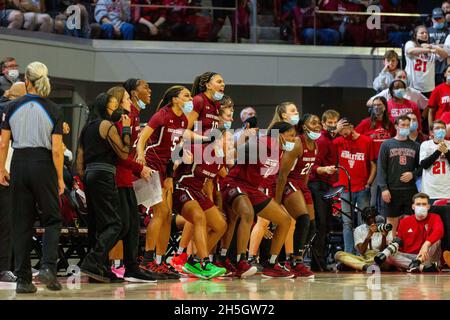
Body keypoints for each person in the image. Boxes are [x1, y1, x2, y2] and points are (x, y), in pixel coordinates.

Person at [0, 62, 64, 293]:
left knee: (21, 223)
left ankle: (23, 280)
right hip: (43, 164)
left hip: (18, 164)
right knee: (53, 219)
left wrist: (1, 170)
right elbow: (57, 149)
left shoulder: (11, 106)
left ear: (27, 80)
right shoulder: (53, 109)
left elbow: (4, 142)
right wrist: (59, 178)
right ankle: (48, 267)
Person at [220, 122, 296, 278]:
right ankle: (242, 262)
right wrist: (241, 142)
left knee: (285, 220)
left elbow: (268, 178)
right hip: (235, 183)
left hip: (253, 189)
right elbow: (234, 154)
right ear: (280, 135)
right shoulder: (264, 143)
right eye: (291, 136)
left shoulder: (280, 152)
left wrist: (272, 201)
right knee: (247, 214)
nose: (294, 140)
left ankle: (271, 265)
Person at [136, 85, 196, 280]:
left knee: (167, 215)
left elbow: (175, 151)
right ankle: (147, 260)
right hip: (151, 165)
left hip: (164, 169)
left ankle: (160, 261)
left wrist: (170, 175)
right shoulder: (162, 115)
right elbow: (142, 138)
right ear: (175, 99)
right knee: (160, 213)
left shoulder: (184, 120)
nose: (190, 99)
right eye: (186, 96)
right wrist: (140, 158)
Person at [76, 92, 136, 283]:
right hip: (104, 174)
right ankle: (93, 261)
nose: (116, 108)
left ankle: (100, 269)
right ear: (105, 108)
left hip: (88, 175)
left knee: (97, 224)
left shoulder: (87, 128)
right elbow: (124, 153)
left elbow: (79, 160)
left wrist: (85, 177)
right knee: (115, 223)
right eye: (113, 105)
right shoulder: (106, 125)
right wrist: (126, 129)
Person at [272, 110, 337, 277]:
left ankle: (296, 259)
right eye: (314, 123)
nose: (318, 126)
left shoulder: (315, 145)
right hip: (289, 183)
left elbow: (307, 173)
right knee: (303, 219)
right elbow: (282, 174)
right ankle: (294, 261)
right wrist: (277, 201)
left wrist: (305, 190)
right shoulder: (297, 143)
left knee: (313, 227)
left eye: (318, 123)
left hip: (302, 185)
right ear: (303, 126)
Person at [106, 86, 157, 283]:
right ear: (118, 101)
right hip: (118, 178)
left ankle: (130, 266)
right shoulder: (118, 122)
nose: (130, 101)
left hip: (127, 178)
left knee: (131, 225)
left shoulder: (128, 119)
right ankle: (111, 263)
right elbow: (120, 155)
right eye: (127, 98)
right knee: (122, 225)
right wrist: (139, 168)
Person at [172, 134, 228, 279]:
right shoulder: (198, 149)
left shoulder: (219, 160)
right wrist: (180, 155)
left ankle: (194, 261)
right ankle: (203, 263)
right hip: (181, 188)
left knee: (221, 225)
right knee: (199, 217)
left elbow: (209, 182)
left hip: (197, 192)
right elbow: (173, 155)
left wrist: (210, 204)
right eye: (229, 140)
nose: (232, 144)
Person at [308, 109, 347, 271]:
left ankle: (320, 261)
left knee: (325, 225)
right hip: (318, 185)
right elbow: (313, 165)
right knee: (321, 224)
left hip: (326, 186)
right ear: (323, 124)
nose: (332, 126)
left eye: (334, 122)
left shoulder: (330, 139)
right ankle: (317, 263)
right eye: (329, 123)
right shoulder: (323, 141)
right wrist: (323, 170)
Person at [334, 119, 376, 254]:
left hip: (362, 188)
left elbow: (373, 164)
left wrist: (369, 182)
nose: (342, 134)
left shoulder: (367, 141)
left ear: (351, 127)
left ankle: (361, 252)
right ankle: (348, 253)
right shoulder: (339, 141)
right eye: (339, 132)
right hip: (345, 188)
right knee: (347, 223)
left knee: (363, 222)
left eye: (344, 131)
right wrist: (336, 131)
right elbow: (326, 145)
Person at [377, 115, 421, 238]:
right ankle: (390, 250)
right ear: (396, 126)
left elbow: (421, 168)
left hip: (409, 190)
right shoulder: (386, 144)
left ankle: (406, 247)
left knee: (409, 222)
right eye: (403, 125)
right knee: (391, 223)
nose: (405, 127)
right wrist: (384, 188)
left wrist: (412, 174)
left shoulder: (416, 146)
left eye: (408, 125)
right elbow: (381, 168)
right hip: (392, 190)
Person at [387, 193, 443, 272]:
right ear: (413, 207)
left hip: (428, 255)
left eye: (424, 204)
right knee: (389, 254)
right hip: (410, 256)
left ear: (428, 206)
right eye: (418, 204)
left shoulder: (435, 217)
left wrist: (426, 245)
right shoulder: (404, 222)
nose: (421, 207)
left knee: (437, 241)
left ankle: (413, 266)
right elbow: (401, 244)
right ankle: (420, 267)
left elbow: (439, 232)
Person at [335, 207, 392, 271]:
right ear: (364, 221)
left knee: (386, 261)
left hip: (378, 257)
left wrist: (384, 236)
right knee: (338, 254)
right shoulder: (359, 230)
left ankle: (356, 266)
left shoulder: (385, 227)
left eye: (373, 219)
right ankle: (365, 267)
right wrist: (369, 235)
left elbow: (384, 251)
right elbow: (361, 251)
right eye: (369, 220)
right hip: (364, 258)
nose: (372, 222)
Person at [405, 25, 447, 97]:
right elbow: (410, 51)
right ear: (415, 35)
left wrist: (432, 46)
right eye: (422, 33)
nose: (425, 34)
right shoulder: (411, 44)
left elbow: (445, 55)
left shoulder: (432, 46)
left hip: (429, 88)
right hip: (413, 87)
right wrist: (429, 50)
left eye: (426, 33)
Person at [419, 120, 450, 204]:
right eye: (437, 128)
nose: (441, 130)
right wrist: (438, 151)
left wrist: (447, 152)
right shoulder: (425, 145)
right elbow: (424, 165)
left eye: (443, 128)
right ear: (431, 132)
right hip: (430, 191)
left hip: (447, 191)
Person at [428, 8, 448, 87]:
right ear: (432, 19)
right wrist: (441, 46)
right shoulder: (426, 31)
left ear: (444, 18)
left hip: (444, 67)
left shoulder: (448, 31)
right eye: (435, 18)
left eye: (439, 18)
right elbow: (424, 46)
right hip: (430, 67)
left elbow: (448, 48)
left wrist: (433, 46)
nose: (437, 20)